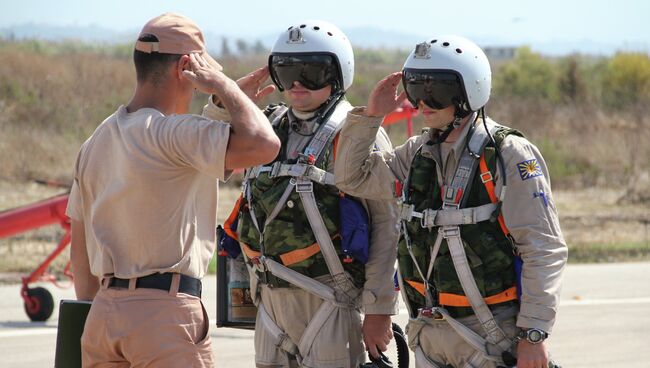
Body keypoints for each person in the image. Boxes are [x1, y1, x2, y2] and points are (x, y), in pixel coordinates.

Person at [334, 35, 568, 368]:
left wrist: (534, 334)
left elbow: (543, 248)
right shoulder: (416, 153)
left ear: (468, 92)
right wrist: (371, 117)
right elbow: (351, 177)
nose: (423, 103)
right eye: (416, 91)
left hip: (490, 334)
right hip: (429, 335)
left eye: (437, 92)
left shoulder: (506, 155)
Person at [66, 13, 280, 367]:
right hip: (164, 316)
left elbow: (80, 250)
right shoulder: (172, 134)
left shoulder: (96, 141)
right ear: (186, 67)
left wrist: (96, 315)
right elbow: (263, 144)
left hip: (103, 317)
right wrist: (224, 87)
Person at [205, 20, 399, 368]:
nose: (296, 83)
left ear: (337, 76)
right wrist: (226, 103)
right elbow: (208, 154)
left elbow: (387, 227)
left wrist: (379, 309)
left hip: (330, 298)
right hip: (268, 298)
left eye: (311, 72)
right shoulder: (265, 128)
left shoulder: (356, 134)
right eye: (287, 70)